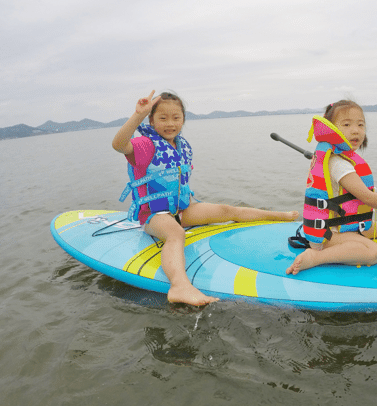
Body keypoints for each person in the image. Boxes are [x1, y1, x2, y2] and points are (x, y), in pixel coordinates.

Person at [112, 91, 299, 306]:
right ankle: (179, 286)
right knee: (175, 234)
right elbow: (118, 145)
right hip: (154, 215)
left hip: (181, 209)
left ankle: (277, 216)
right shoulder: (146, 145)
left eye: (176, 117)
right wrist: (137, 115)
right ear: (151, 120)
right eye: (162, 118)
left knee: (226, 211)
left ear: (183, 119)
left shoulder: (181, 145)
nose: (170, 123)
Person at [286, 100, 377, 274]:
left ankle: (347, 241)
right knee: (373, 253)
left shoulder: (339, 157)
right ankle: (316, 257)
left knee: (375, 230)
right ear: (331, 129)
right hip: (327, 233)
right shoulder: (339, 164)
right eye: (346, 124)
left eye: (361, 124)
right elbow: (367, 197)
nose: (356, 130)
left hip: (336, 224)